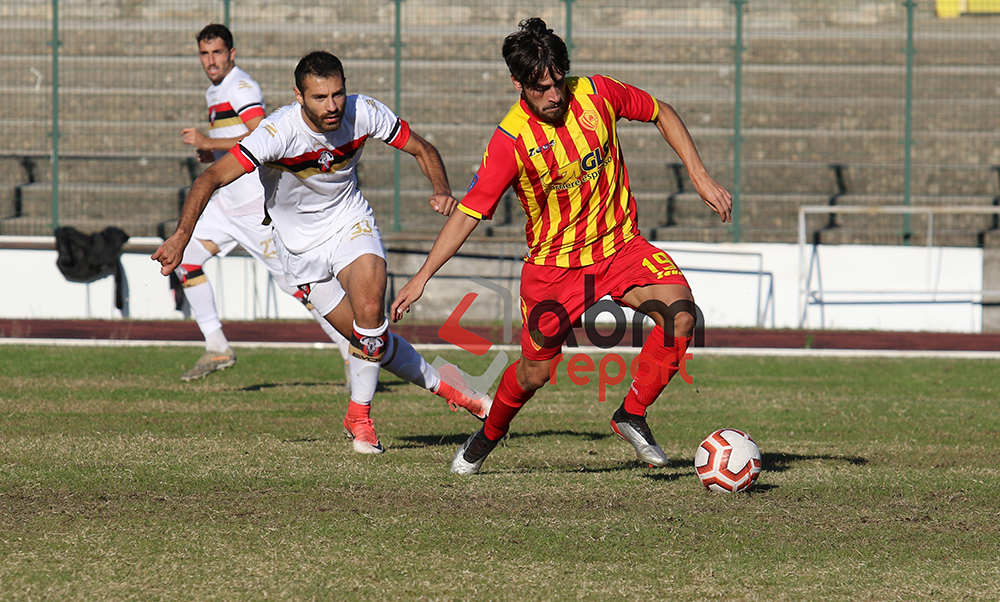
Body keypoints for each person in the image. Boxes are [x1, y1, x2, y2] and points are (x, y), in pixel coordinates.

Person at [390, 18, 733, 474]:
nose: (554, 95)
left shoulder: (596, 93)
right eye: (540, 88)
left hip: (620, 247)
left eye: (557, 82)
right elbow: (468, 213)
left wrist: (698, 174)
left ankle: (631, 413)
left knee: (682, 317)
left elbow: (660, 111)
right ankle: (487, 435)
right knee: (536, 374)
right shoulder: (510, 142)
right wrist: (422, 276)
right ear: (518, 83)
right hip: (555, 270)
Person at [154, 50, 490, 454]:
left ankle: (361, 416)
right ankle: (451, 389)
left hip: (350, 223)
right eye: (319, 98)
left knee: (370, 311)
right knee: (370, 342)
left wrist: (440, 189)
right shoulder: (276, 134)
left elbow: (423, 149)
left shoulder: (364, 112)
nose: (332, 107)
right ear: (299, 96)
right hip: (298, 248)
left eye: (337, 94)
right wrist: (180, 236)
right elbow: (209, 178)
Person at [175, 23, 354, 389]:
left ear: (231, 54)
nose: (211, 61)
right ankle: (217, 345)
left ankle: (350, 348)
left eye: (217, 53)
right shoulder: (216, 89)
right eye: (205, 54)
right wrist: (213, 148)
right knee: (186, 260)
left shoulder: (240, 86)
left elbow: (259, 130)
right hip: (227, 206)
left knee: (302, 287)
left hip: (254, 209)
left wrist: (209, 140)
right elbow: (235, 136)